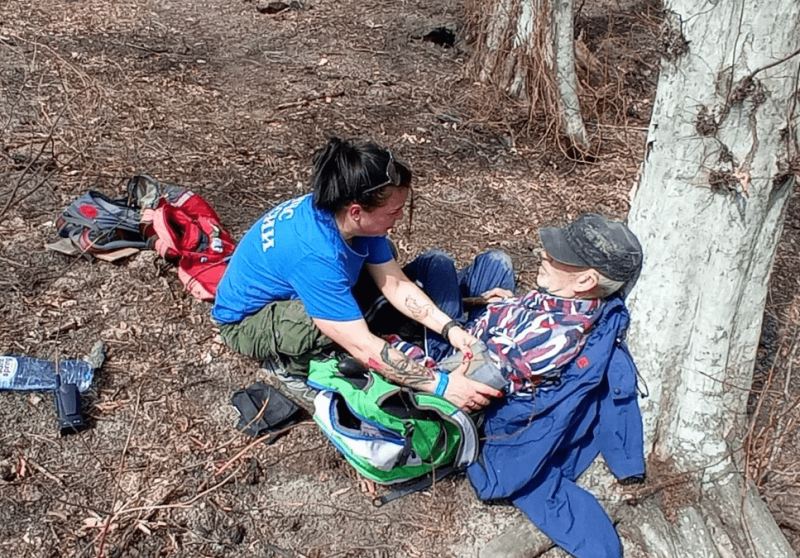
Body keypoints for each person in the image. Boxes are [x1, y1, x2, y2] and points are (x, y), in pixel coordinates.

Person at [211, 137, 502, 411]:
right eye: (394, 211)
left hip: (307, 277)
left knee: (383, 249)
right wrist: (441, 386)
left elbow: (396, 284)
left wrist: (451, 330)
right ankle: (288, 366)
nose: (399, 217)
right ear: (356, 212)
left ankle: (347, 316)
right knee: (317, 326)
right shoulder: (316, 255)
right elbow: (363, 347)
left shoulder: (346, 212)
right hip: (245, 322)